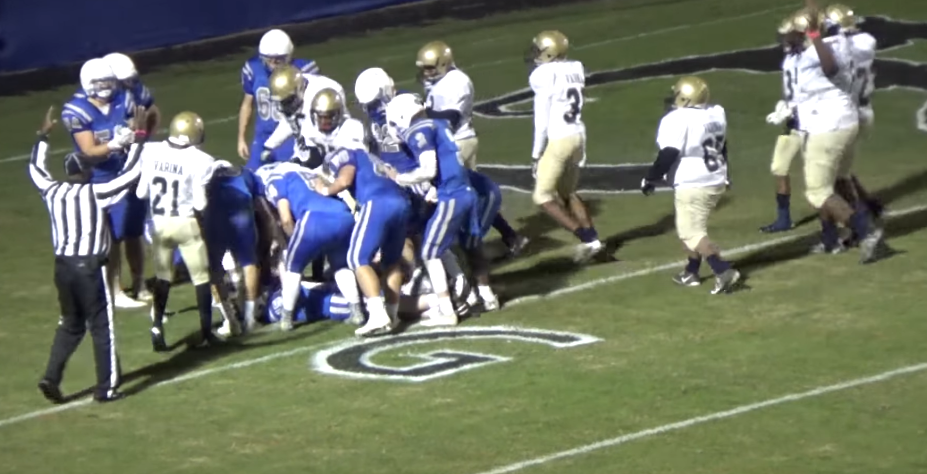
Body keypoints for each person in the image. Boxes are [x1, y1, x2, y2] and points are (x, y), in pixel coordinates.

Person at [31, 106, 145, 404]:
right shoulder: (96, 193)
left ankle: (51, 376)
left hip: (63, 269)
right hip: (90, 269)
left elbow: (36, 170)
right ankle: (106, 387)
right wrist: (139, 138)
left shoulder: (52, 191)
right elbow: (131, 174)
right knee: (101, 326)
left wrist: (43, 137)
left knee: (69, 323)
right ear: (87, 171)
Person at [136, 112, 239, 350]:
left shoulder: (150, 152)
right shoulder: (201, 159)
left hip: (159, 225)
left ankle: (157, 326)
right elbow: (201, 204)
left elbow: (141, 193)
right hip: (185, 224)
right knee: (201, 280)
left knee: (163, 278)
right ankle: (205, 332)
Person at [641, 77, 741, 294]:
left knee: (691, 233)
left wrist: (651, 177)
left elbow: (669, 152)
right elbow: (723, 147)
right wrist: (727, 174)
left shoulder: (676, 119)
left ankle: (723, 271)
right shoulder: (716, 112)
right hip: (715, 176)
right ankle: (691, 271)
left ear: (686, 97)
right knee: (694, 227)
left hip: (693, 181)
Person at [62, 57, 148, 308]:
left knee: (134, 232)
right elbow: (88, 150)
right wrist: (113, 144)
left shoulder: (124, 98)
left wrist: (134, 134)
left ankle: (140, 283)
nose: (107, 87)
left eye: (109, 81)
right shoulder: (77, 110)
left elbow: (137, 122)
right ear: (88, 84)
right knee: (110, 238)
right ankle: (115, 290)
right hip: (97, 179)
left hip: (125, 172)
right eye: (100, 83)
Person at [525, 30, 603, 263]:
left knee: (542, 196)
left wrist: (536, 153)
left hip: (560, 138)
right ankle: (595, 241)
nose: (536, 54)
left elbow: (541, 121)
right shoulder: (576, 67)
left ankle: (588, 239)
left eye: (540, 49)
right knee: (568, 192)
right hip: (578, 134)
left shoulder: (542, 74)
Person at [238, 29, 320, 169]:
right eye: (269, 59)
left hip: (290, 136)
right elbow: (247, 104)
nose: (274, 63)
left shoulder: (302, 70)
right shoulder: (254, 69)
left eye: (279, 59)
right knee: (252, 176)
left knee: (287, 174)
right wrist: (241, 138)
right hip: (263, 136)